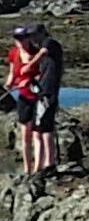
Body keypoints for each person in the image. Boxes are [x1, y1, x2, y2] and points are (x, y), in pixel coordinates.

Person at [5, 22, 56, 185]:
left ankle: (38, 168)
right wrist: (8, 86)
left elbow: (43, 75)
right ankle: (27, 170)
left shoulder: (36, 53)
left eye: (22, 37)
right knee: (25, 135)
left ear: (28, 38)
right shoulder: (13, 53)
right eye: (17, 38)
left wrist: (28, 81)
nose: (20, 40)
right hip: (23, 98)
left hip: (36, 97)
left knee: (37, 133)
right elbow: (13, 74)